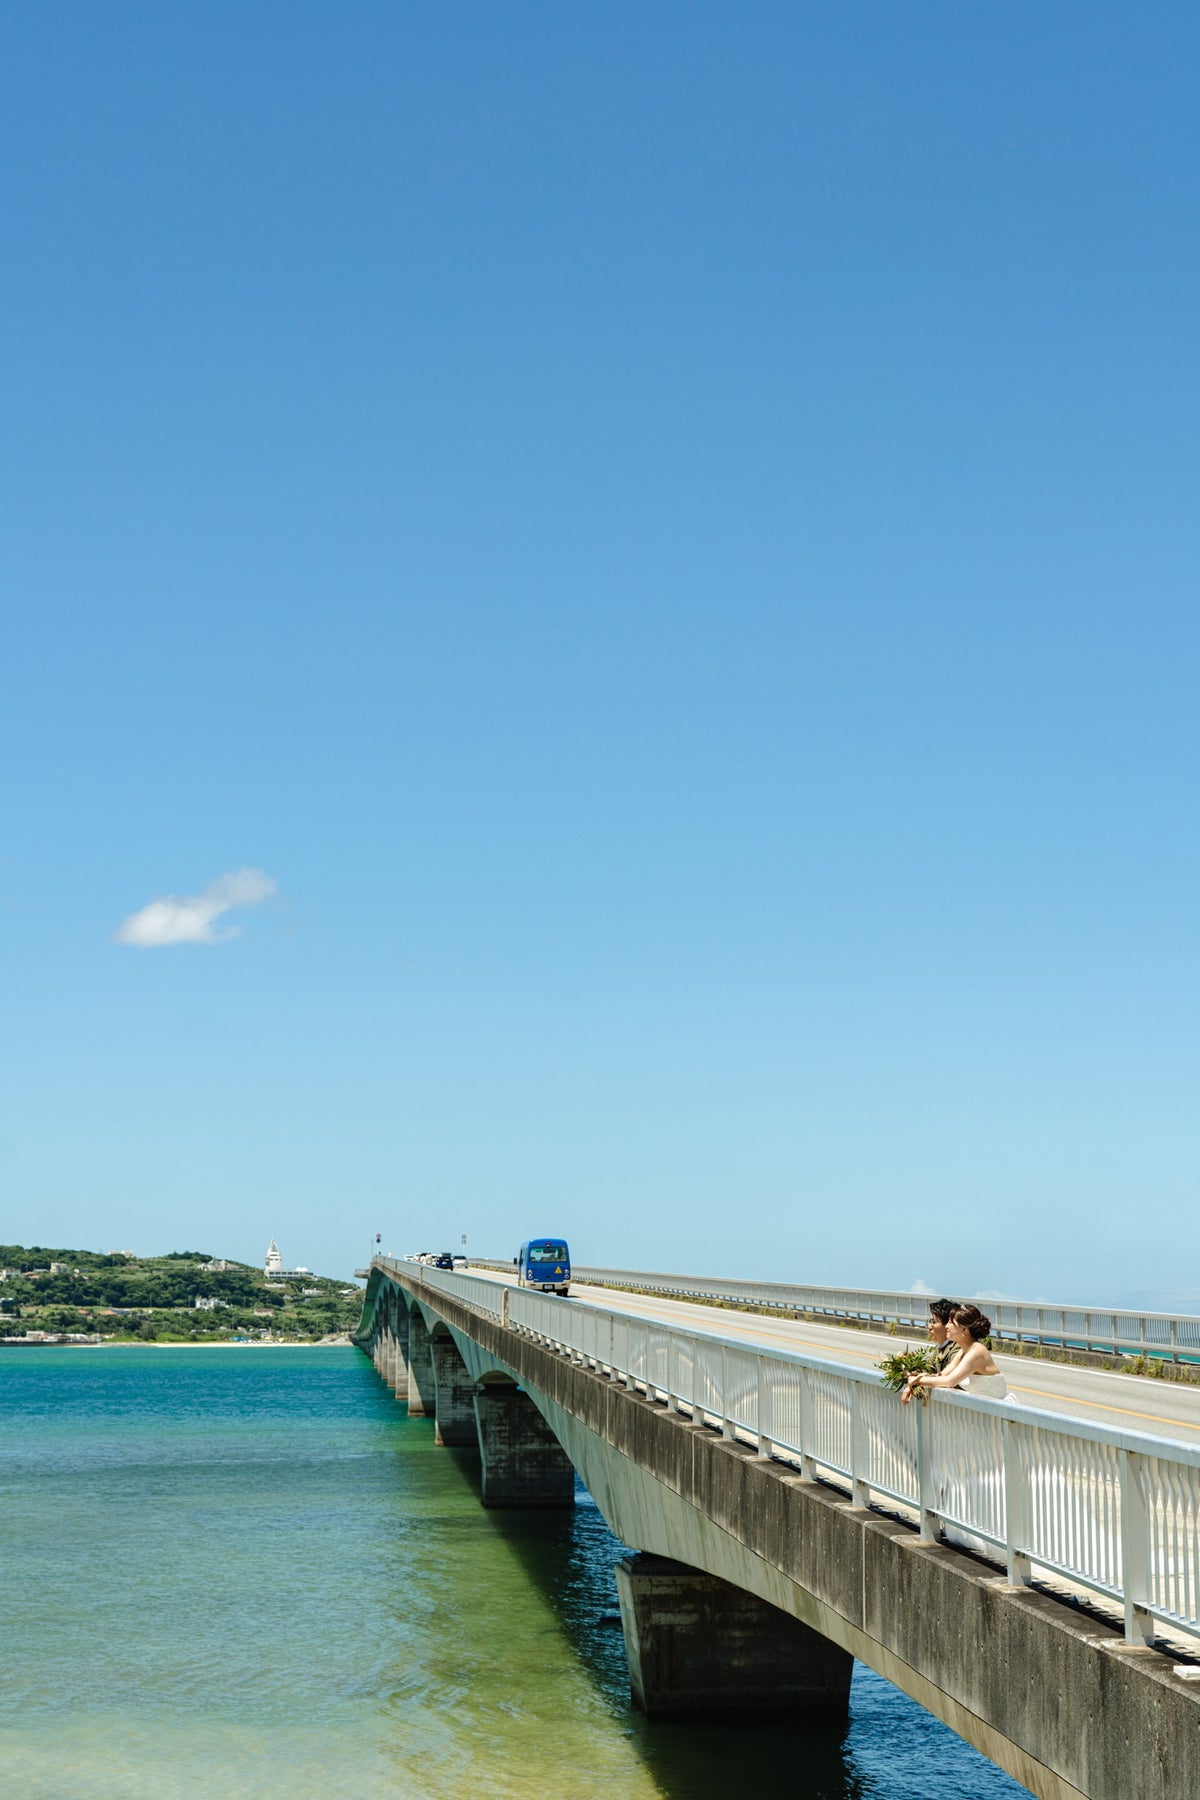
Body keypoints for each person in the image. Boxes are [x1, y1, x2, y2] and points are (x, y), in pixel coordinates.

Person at [902, 1305, 1008, 1404]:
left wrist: (918, 1381)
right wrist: (917, 1379)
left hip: (1001, 1413)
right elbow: (942, 1375)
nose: (947, 1326)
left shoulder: (977, 1352)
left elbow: (949, 1381)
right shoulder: (963, 1351)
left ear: (963, 1329)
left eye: (951, 1323)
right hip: (987, 1410)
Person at [927, 1298, 959, 1374]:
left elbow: (948, 1376)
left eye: (933, 1322)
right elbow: (928, 1368)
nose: (929, 1326)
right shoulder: (939, 1346)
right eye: (929, 1321)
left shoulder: (958, 1347)